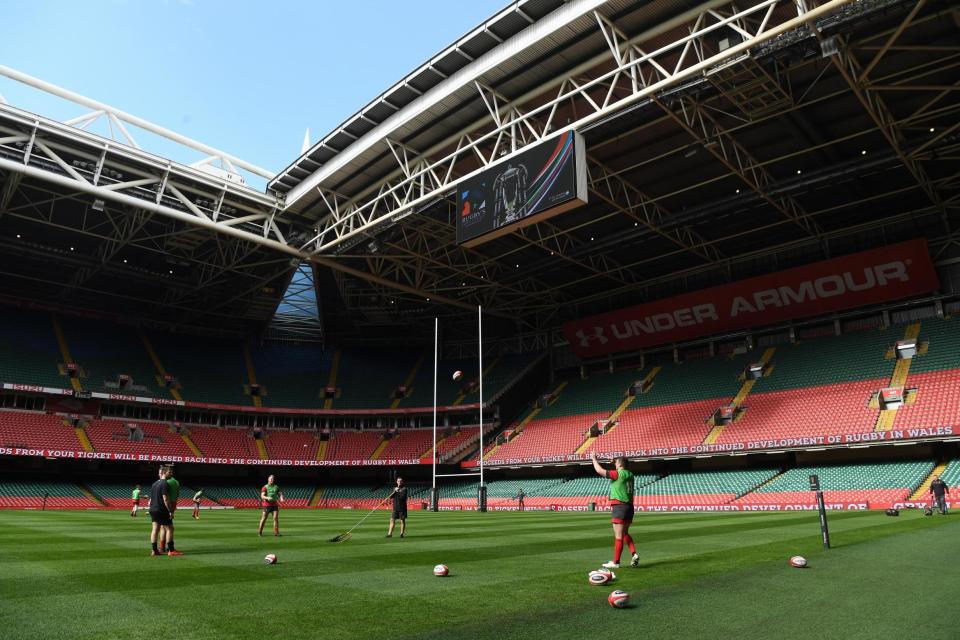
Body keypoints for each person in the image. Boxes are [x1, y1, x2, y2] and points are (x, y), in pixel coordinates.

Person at [590, 451, 639, 569]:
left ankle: (616, 562)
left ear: (620, 465)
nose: (614, 464)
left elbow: (600, 471)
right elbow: (622, 465)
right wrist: (615, 460)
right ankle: (634, 553)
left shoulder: (617, 474)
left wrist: (594, 459)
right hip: (629, 507)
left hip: (619, 506)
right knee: (625, 533)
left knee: (618, 536)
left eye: (616, 463)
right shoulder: (630, 474)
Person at [148, 466, 176, 557]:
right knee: (170, 528)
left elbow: (151, 499)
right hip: (161, 509)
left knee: (155, 529)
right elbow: (165, 499)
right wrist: (170, 511)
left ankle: (154, 550)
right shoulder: (165, 484)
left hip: (153, 508)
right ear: (164, 472)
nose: (171, 474)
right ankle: (171, 550)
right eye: (169, 472)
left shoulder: (154, 483)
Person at [157, 466, 182, 555]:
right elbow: (178, 494)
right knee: (166, 526)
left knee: (165, 527)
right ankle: (167, 548)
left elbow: (163, 495)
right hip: (173, 503)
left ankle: (165, 548)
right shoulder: (176, 482)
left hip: (166, 504)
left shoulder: (164, 482)